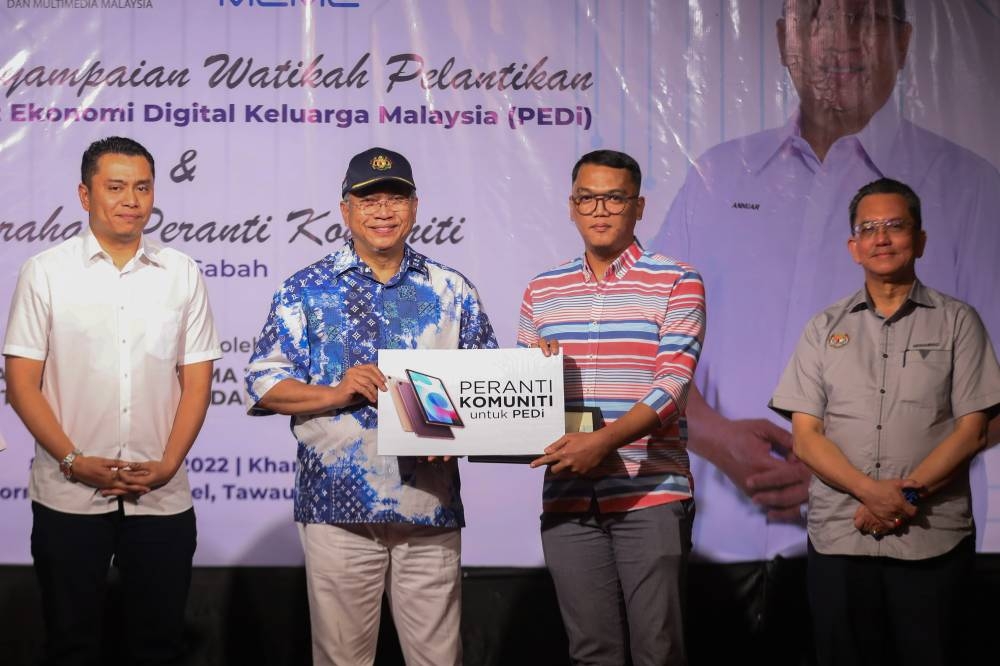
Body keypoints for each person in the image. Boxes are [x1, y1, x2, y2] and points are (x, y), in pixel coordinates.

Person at [650, 0, 1000, 659]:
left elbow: (992, 401)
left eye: (866, 17)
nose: (841, 39)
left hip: (903, 544)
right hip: (722, 553)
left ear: (902, 40)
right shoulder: (715, 178)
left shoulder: (972, 188)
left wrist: (857, 481)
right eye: (816, 16)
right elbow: (653, 346)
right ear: (786, 38)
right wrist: (717, 436)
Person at [244, 147, 497, 666]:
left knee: (438, 658)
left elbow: (487, 387)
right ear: (346, 211)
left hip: (429, 503)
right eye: (369, 200)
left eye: (395, 198)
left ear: (415, 207)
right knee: (342, 659)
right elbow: (264, 382)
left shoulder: (452, 291)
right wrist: (338, 391)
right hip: (337, 508)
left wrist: (462, 434)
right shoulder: (306, 290)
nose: (383, 211)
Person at [3, 136, 221, 665]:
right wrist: (75, 461)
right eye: (116, 187)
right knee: (71, 645)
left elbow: (197, 383)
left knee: (159, 646)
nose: (131, 200)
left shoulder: (181, 272)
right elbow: (20, 384)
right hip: (68, 494)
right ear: (85, 195)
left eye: (142, 187)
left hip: (161, 495)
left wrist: (169, 464)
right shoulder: (46, 271)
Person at [769, 178, 1000, 666]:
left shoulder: (959, 322)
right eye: (868, 228)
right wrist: (870, 492)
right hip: (840, 537)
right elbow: (807, 439)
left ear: (920, 240)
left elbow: (973, 430)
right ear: (853, 247)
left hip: (930, 537)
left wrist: (902, 499)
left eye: (895, 225)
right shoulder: (822, 328)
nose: (882, 238)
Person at [518, 149, 705, 665]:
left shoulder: (676, 280)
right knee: (591, 653)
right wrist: (534, 373)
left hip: (650, 494)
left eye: (614, 198)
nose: (600, 209)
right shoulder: (543, 289)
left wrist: (602, 441)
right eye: (588, 198)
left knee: (658, 651)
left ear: (638, 207)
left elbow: (672, 387)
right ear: (572, 206)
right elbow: (523, 396)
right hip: (568, 498)